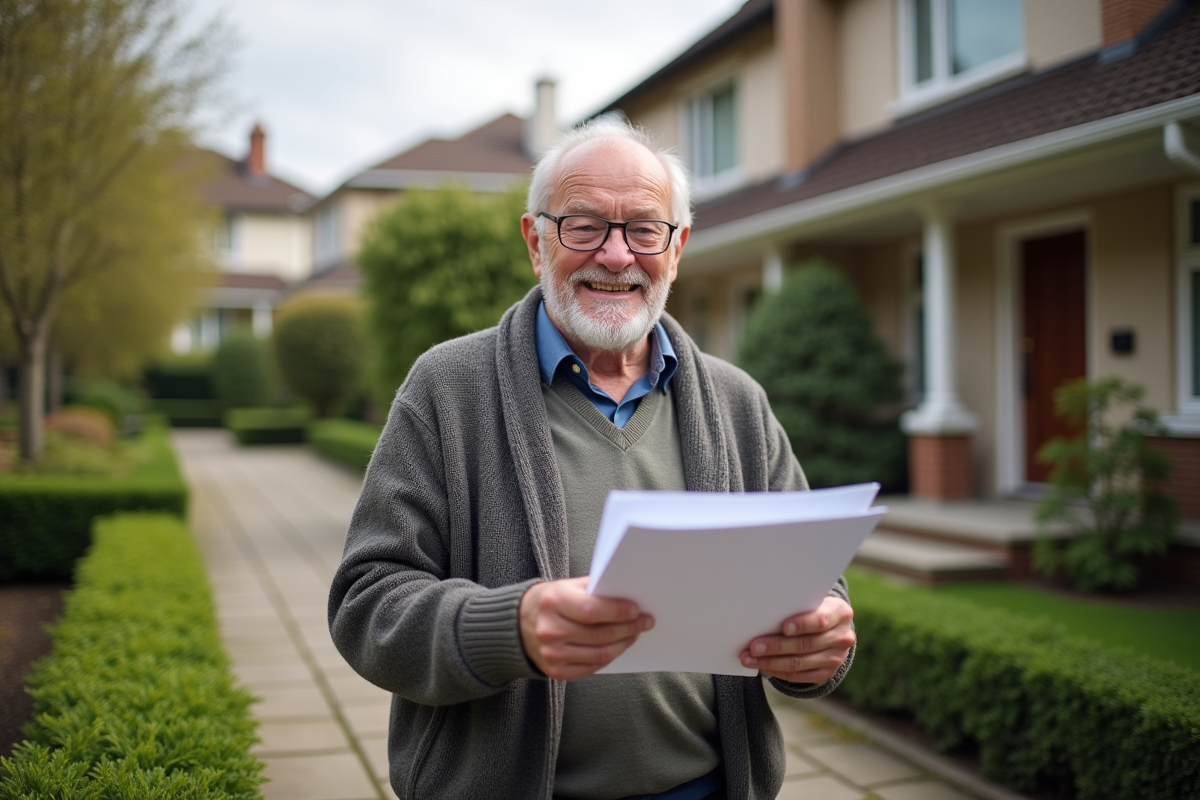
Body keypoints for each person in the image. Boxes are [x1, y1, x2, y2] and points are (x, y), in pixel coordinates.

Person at [327, 115, 856, 800]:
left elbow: (814, 584)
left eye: (643, 228)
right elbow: (367, 604)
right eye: (583, 225)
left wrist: (817, 648)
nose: (615, 255)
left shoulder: (738, 402)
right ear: (535, 242)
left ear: (677, 247)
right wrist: (506, 629)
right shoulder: (447, 388)